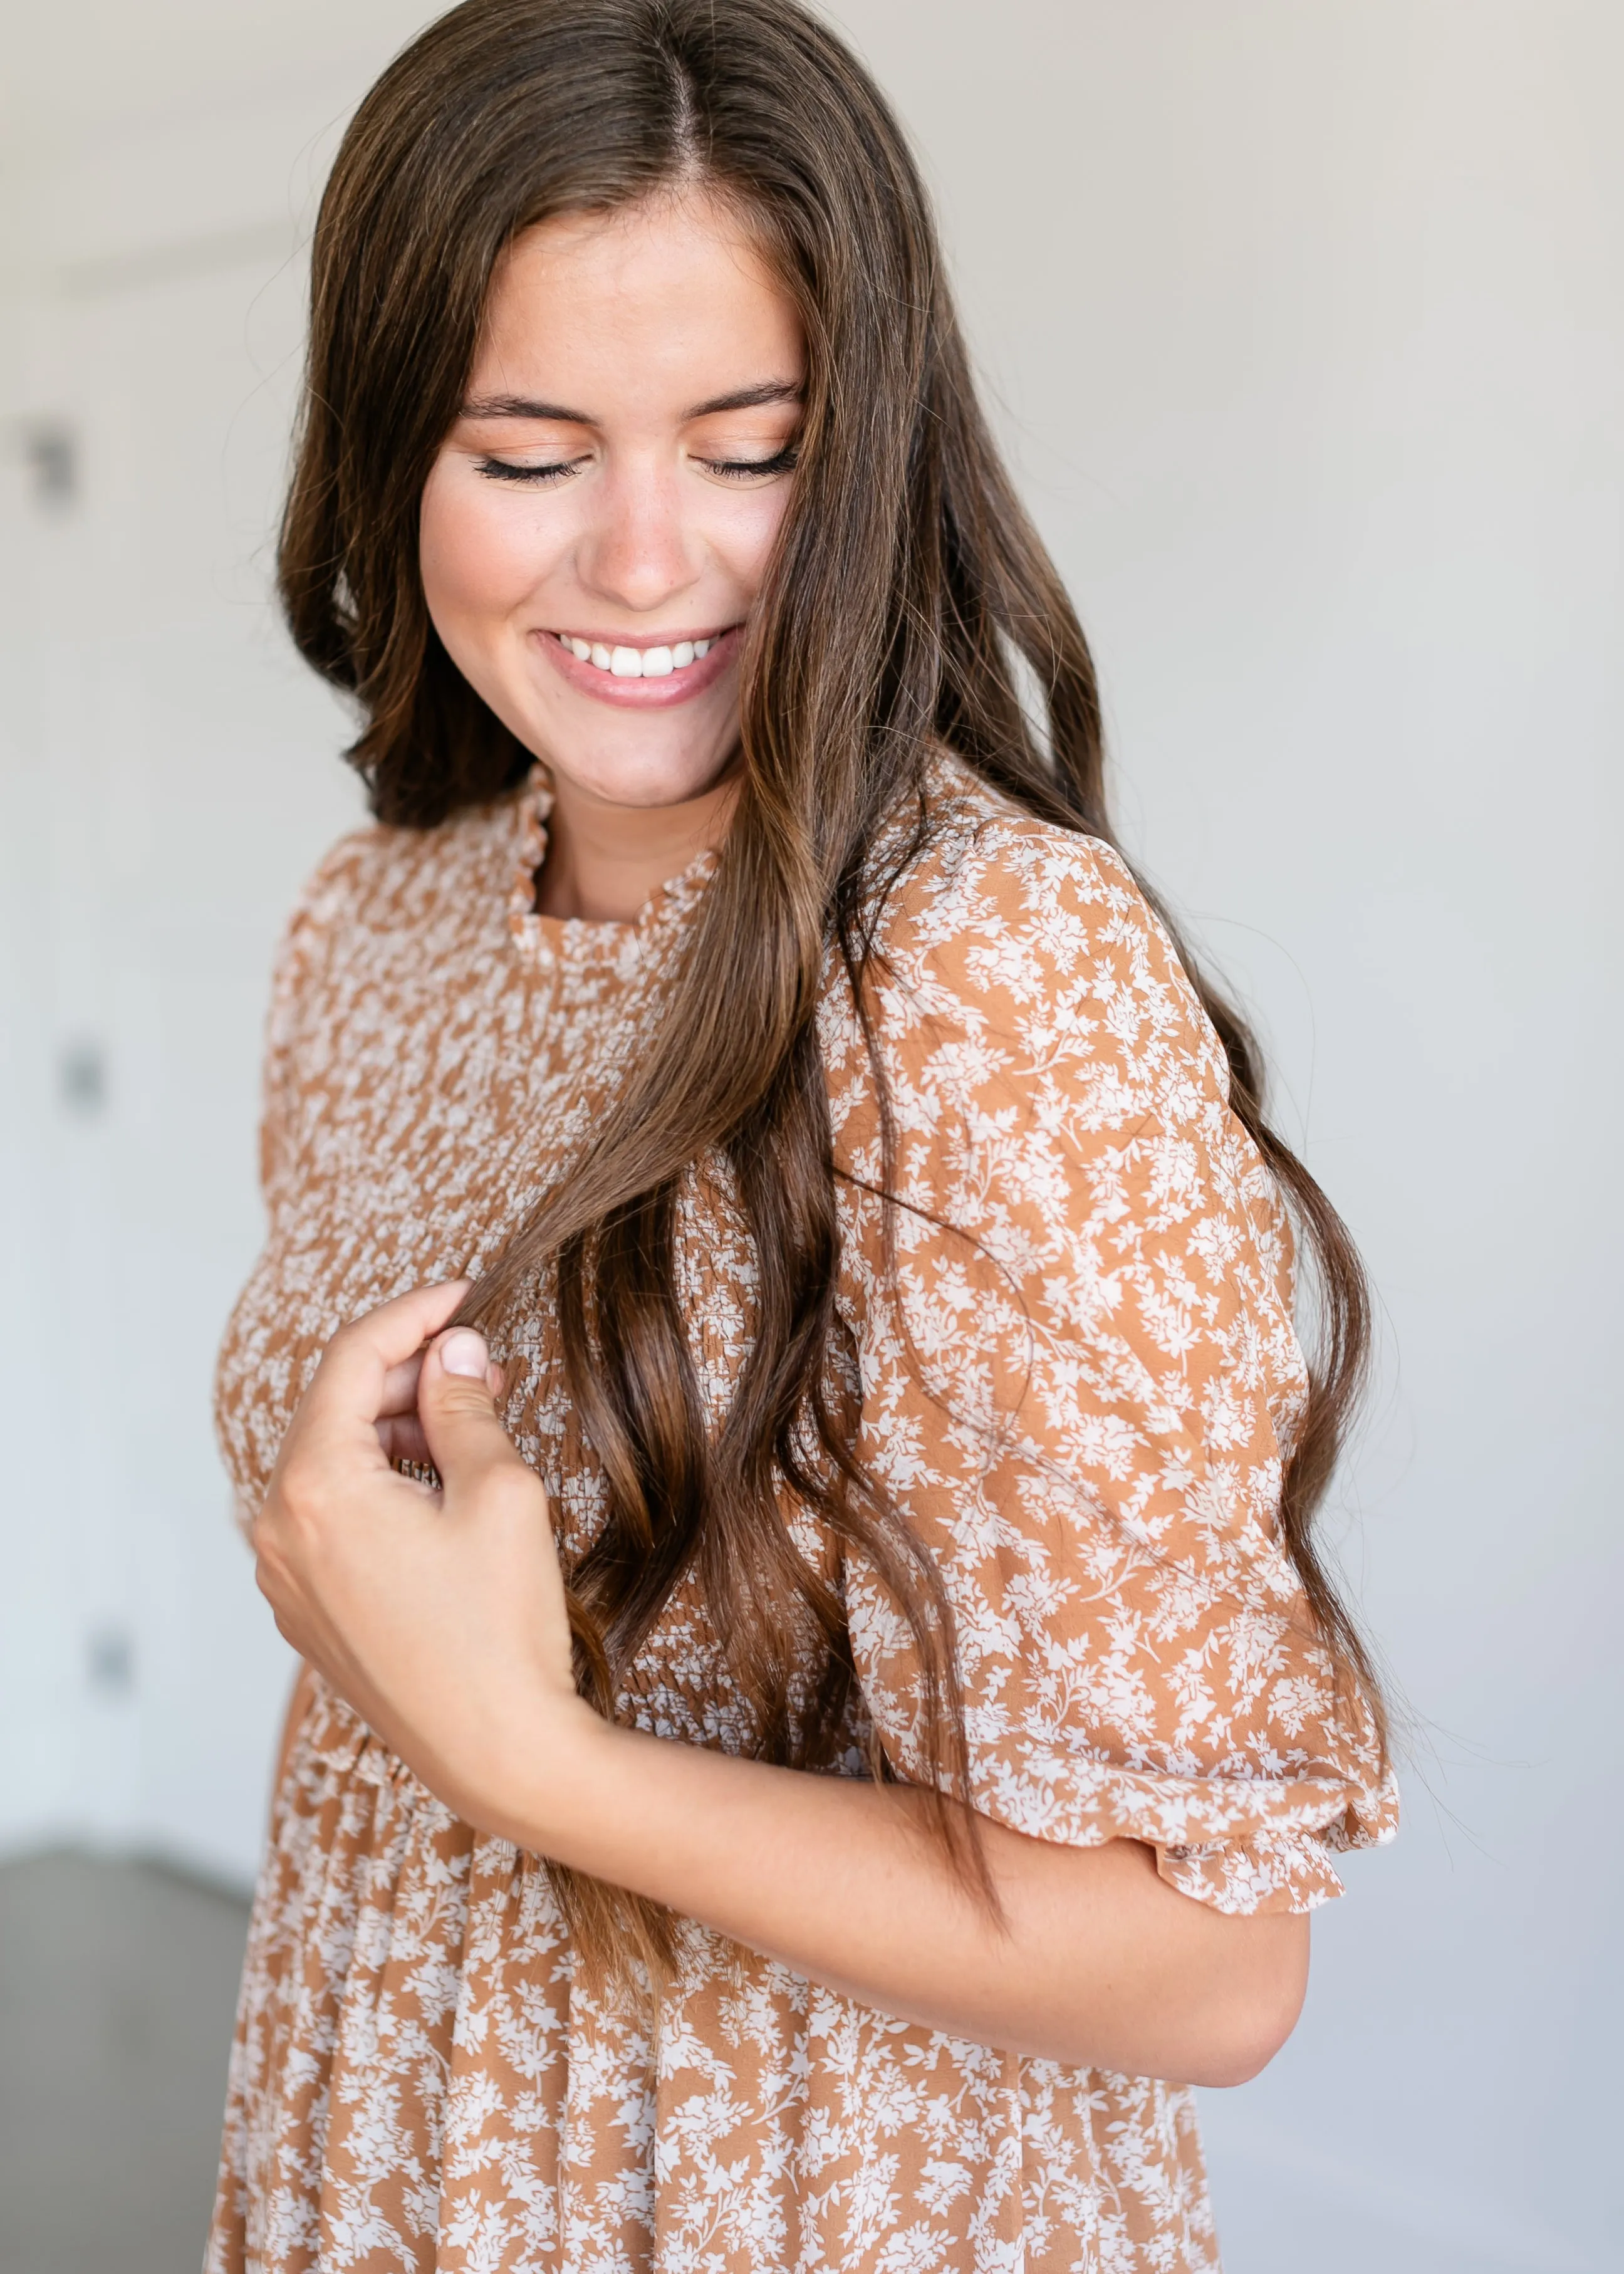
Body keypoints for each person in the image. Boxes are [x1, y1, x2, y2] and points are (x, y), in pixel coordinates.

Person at [208, 2, 1397, 2266]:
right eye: (530, 452)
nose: (648, 563)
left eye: (750, 446)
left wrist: (533, 1763)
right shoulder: (374, 927)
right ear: (389, 457)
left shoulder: (982, 969)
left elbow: (1215, 1962)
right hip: (385, 2142)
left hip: (787, 2196)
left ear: (872, 453)